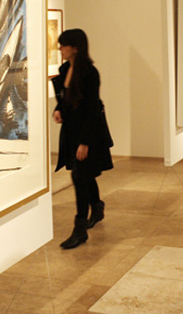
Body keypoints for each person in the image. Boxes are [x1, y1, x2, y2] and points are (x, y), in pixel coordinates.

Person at [52, 28, 113, 249]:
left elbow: (92, 109)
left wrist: (85, 142)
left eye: (63, 45)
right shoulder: (64, 69)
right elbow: (65, 99)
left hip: (87, 132)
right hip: (70, 130)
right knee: (83, 173)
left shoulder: (89, 73)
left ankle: (80, 229)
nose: (60, 48)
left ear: (75, 47)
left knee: (79, 176)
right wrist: (58, 109)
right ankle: (96, 207)